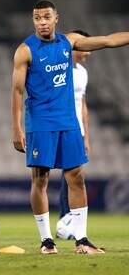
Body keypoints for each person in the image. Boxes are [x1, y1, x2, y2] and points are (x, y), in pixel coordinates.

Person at [11, 0, 129, 255]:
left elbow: (109, 40)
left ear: (56, 18)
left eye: (46, 17)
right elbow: (17, 91)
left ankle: (82, 240)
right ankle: (47, 241)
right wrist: (16, 128)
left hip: (68, 122)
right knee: (40, 179)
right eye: (36, 18)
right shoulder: (25, 50)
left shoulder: (69, 42)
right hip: (40, 123)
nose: (41, 22)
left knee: (76, 176)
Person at [58, 30, 91, 234]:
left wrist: (86, 135)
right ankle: (65, 219)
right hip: (61, 125)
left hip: (76, 130)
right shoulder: (60, 70)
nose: (89, 52)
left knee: (72, 175)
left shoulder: (83, 73)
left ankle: (68, 220)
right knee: (46, 175)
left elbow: (83, 105)